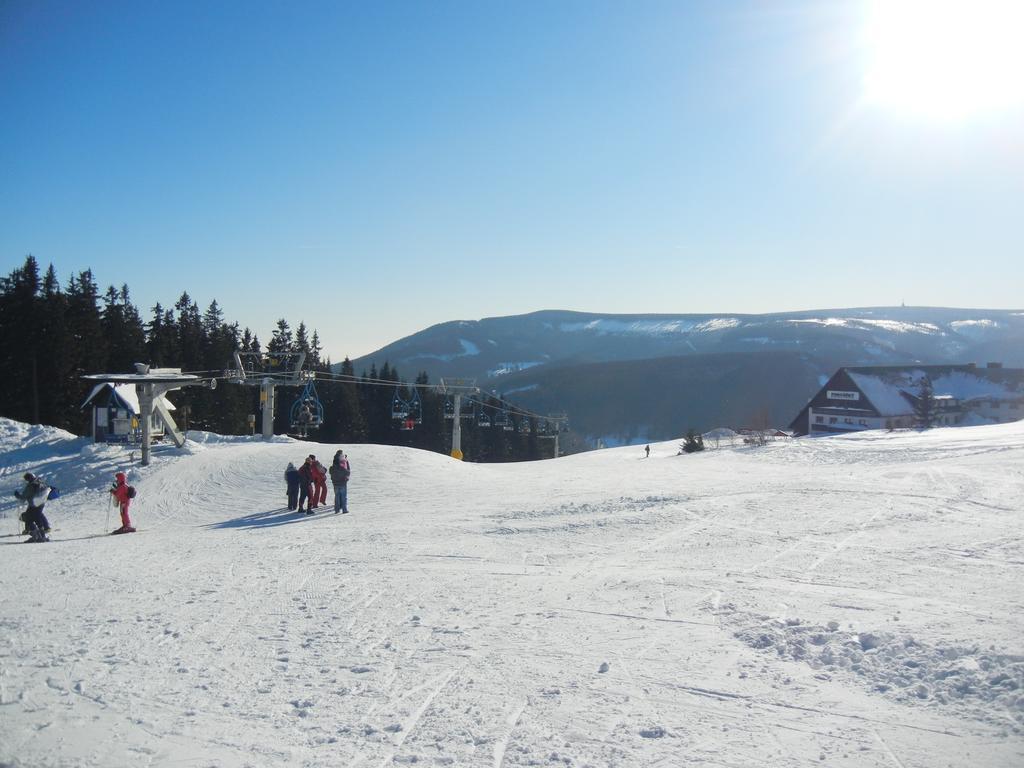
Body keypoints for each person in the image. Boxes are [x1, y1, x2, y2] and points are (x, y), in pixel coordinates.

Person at [15, 472, 51, 542]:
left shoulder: (31, 485)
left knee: (28, 519)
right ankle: (42, 536)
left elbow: (23, 496)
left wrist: (17, 495)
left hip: (33, 505)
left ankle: (37, 537)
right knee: (38, 519)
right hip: (40, 504)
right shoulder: (40, 482)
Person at [329, 450, 351, 515]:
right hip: (342, 483)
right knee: (343, 497)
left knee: (337, 496)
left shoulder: (331, 468)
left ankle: (337, 510)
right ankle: (344, 509)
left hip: (335, 484)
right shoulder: (342, 468)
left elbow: (330, 472)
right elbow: (348, 472)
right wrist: (346, 462)